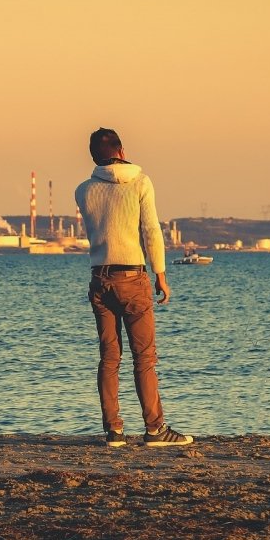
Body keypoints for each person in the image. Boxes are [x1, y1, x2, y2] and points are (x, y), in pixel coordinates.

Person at [74, 128, 193, 447]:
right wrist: (161, 275)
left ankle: (113, 430)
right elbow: (151, 230)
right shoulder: (141, 183)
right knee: (144, 357)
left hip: (100, 278)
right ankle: (155, 429)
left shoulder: (83, 191)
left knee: (109, 357)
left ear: (94, 156)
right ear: (122, 151)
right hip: (132, 278)